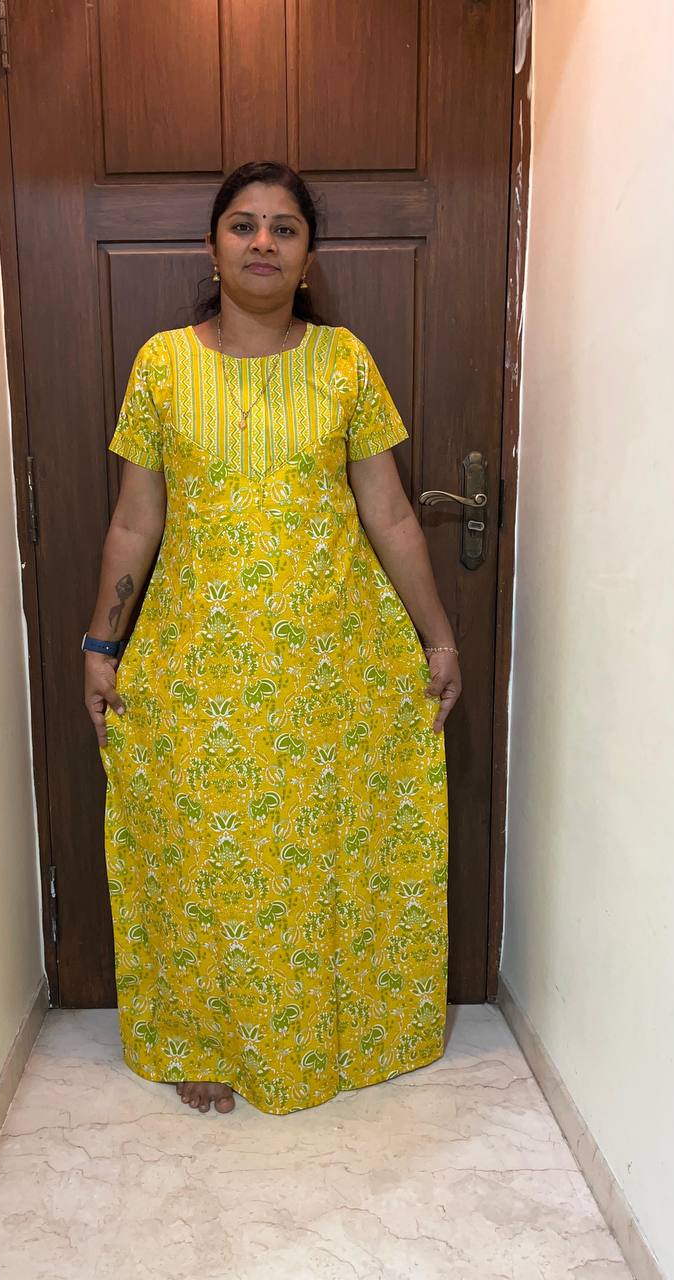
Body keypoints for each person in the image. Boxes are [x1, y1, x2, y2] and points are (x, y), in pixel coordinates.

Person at [83, 161, 462, 1117]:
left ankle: (339, 1030)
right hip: (197, 665)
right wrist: (100, 645)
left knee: (317, 849)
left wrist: (439, 639)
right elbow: (135, 520)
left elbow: (390, 513)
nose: (262, 242)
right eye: (243, 225)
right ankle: (207, 1038)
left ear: (307, 255)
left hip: (331, 663)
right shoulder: (162, 365)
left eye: (284, 228)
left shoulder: (345, 362)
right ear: (212, 247)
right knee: (207, 854)